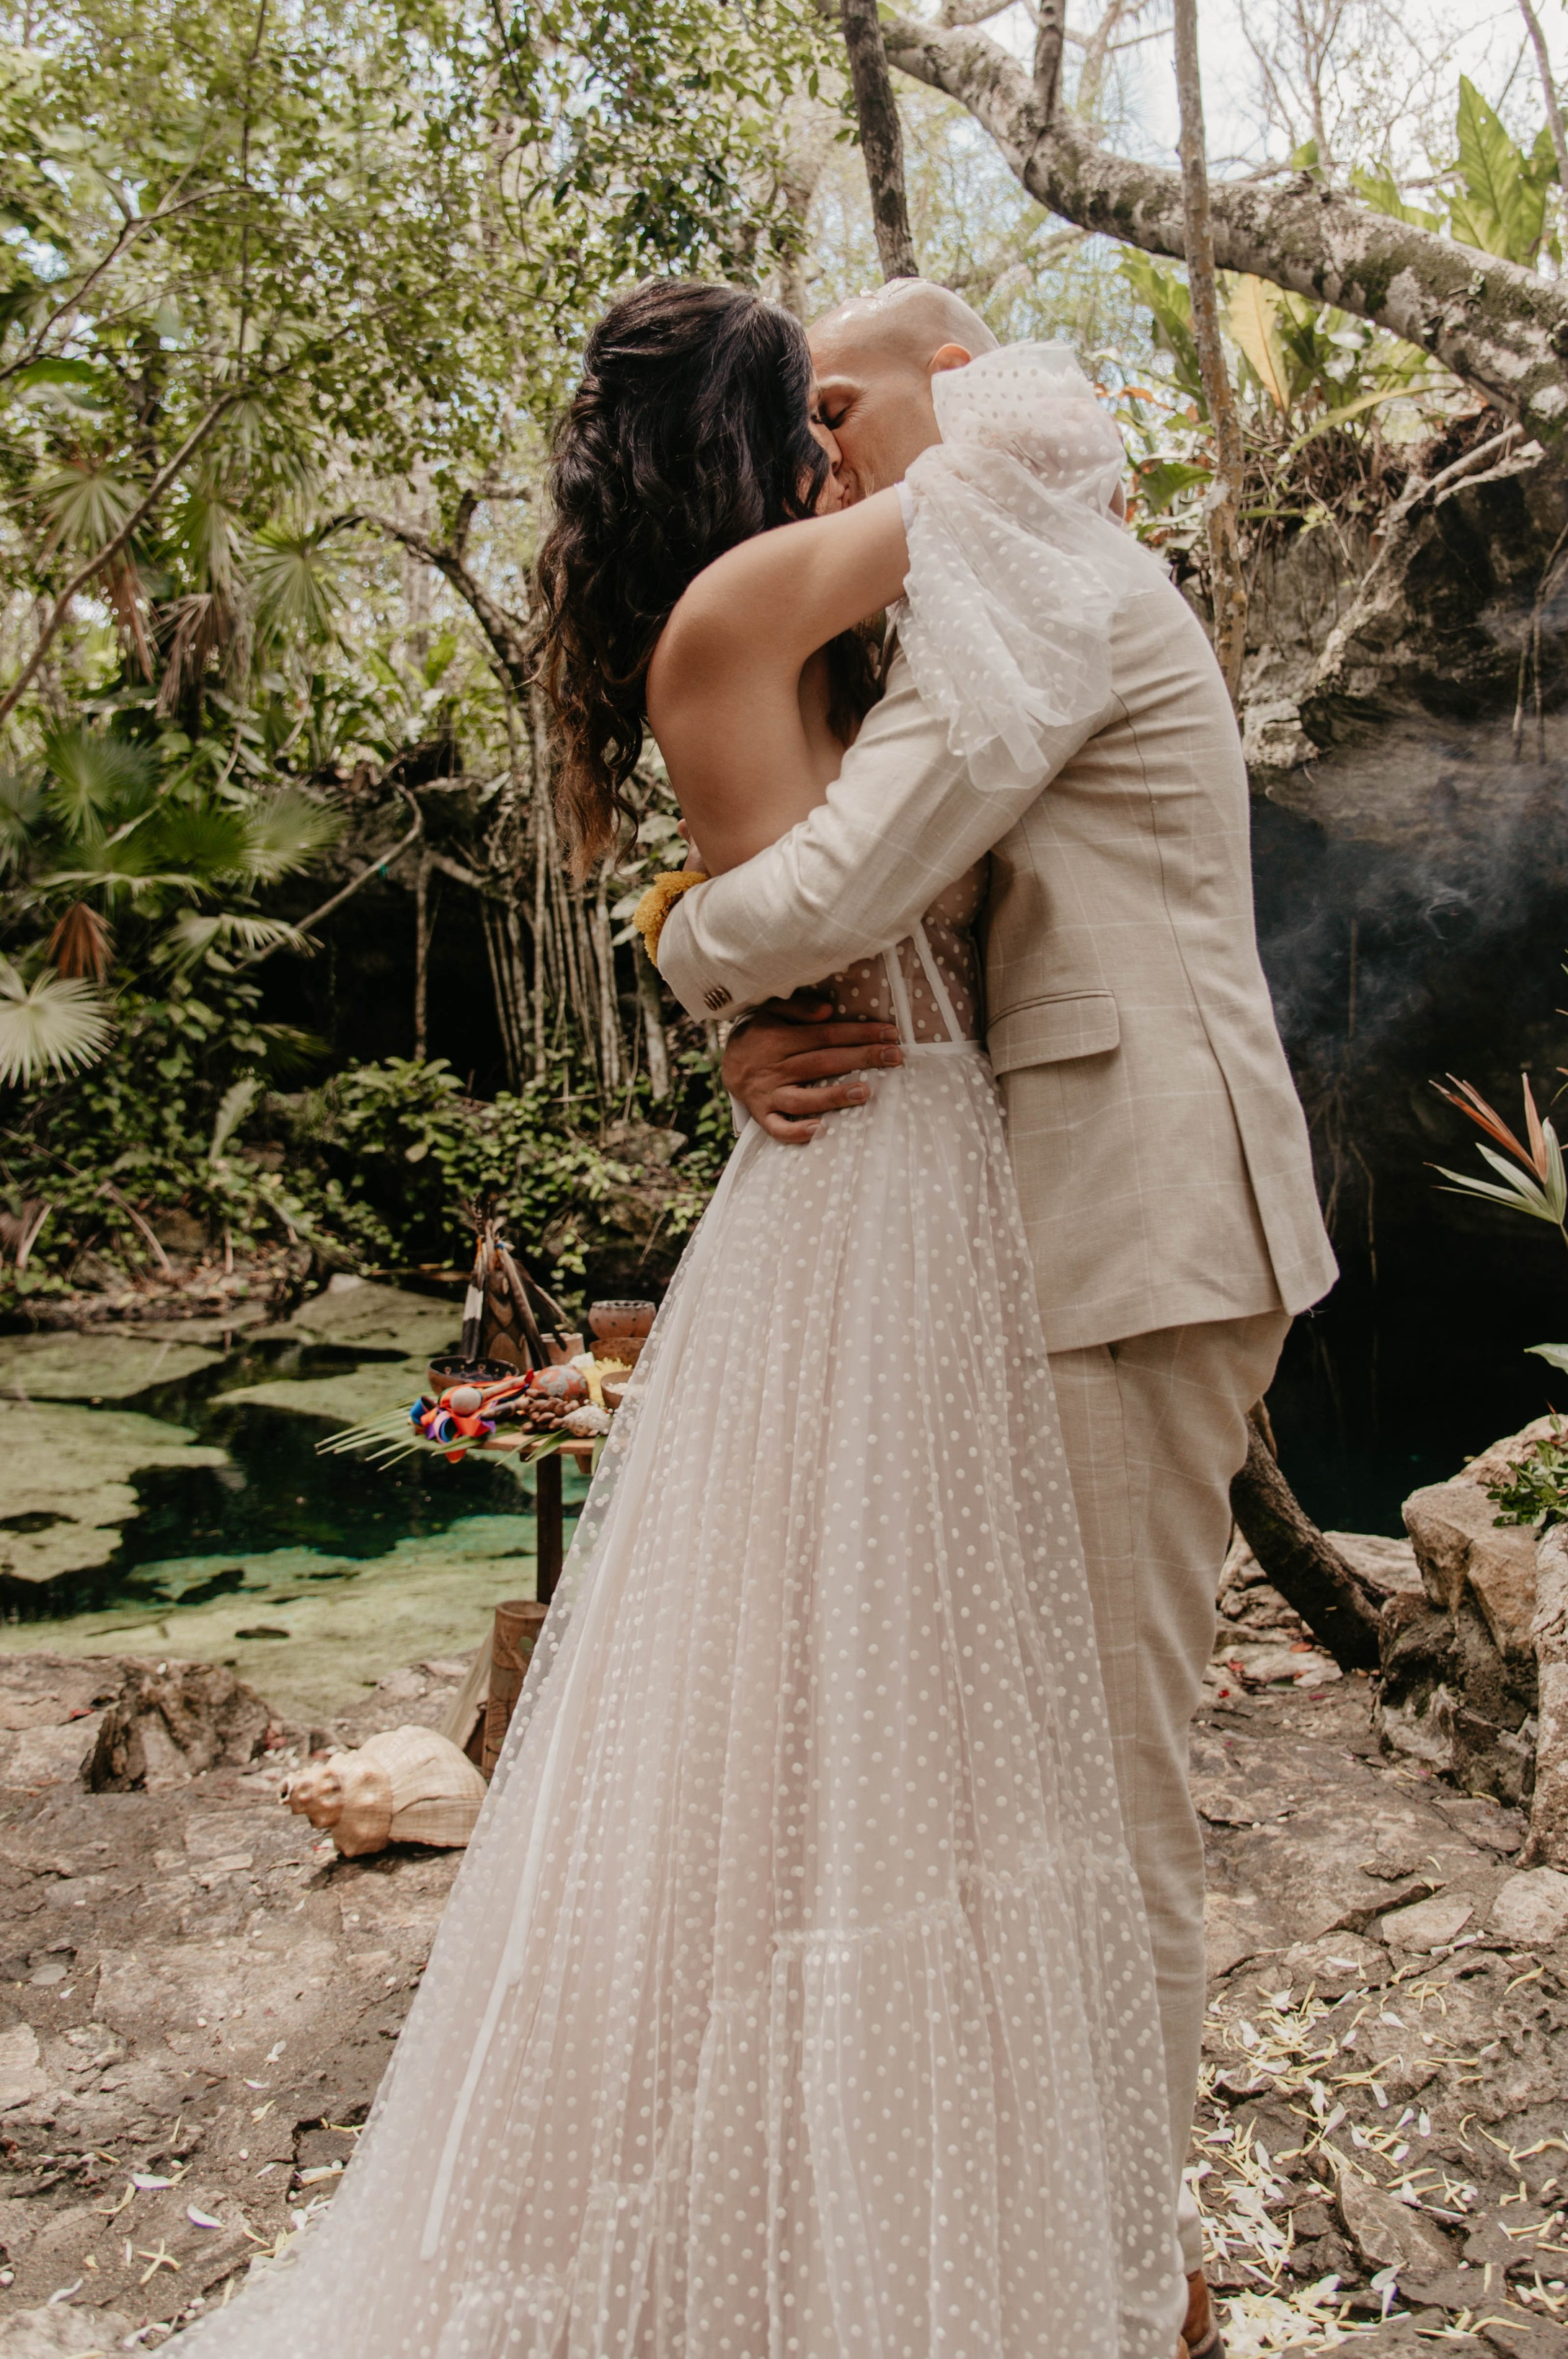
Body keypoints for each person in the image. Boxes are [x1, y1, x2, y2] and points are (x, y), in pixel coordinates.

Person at [174, 278, 1187, 2359]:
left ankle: (867, 2176)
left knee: (859, 1702)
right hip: (886, 1186)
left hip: (903, 1166)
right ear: (749, 432)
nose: (837, 449)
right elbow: (1032, 460)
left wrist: (697, 974)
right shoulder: (739, 608)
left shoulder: (771, 627)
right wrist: (940, 372)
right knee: (862, 1703)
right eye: (808, 412)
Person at [655, 278, 1337, 2359]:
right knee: (1037, 1772)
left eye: (845, 409)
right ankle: (1092, 2235)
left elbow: (848, 885)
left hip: (1138, 1218)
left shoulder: (1049, 571)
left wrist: (681, 950)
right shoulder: (1000, 571)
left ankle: (1135, 2287)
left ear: (956, 385)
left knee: (1108, 1790)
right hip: (1076, 1217)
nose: (821, 459)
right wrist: (746, 1039)